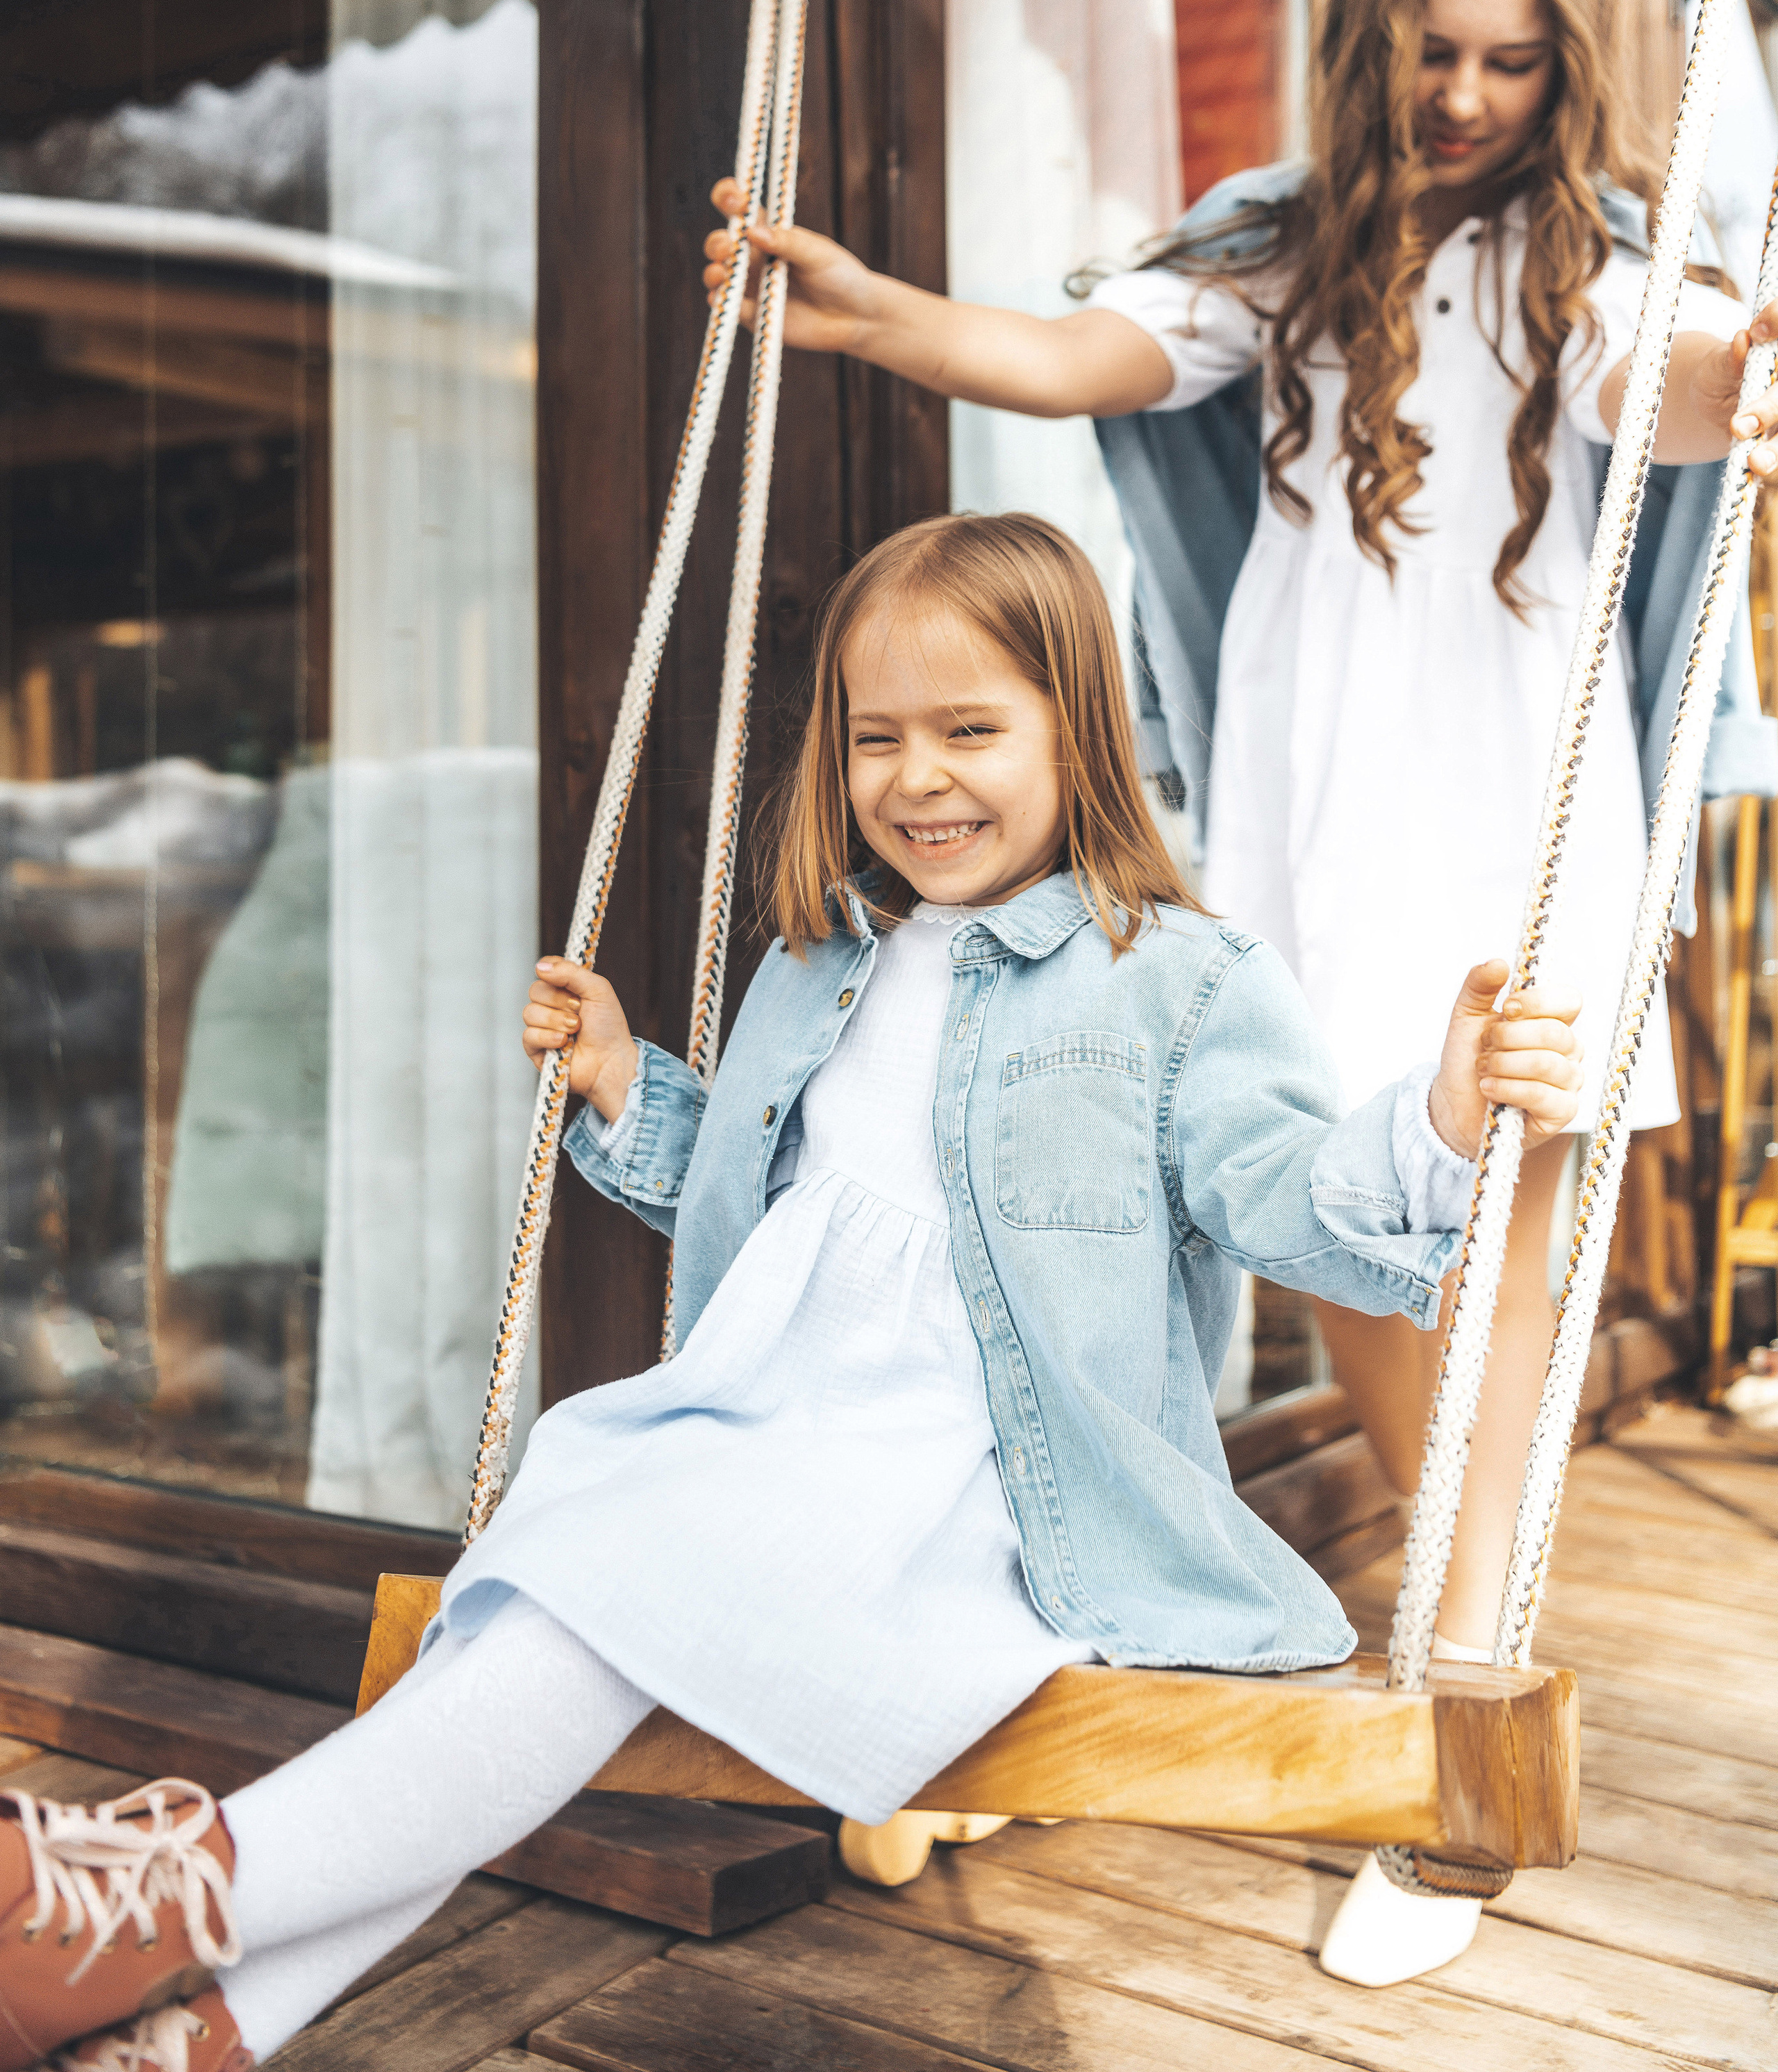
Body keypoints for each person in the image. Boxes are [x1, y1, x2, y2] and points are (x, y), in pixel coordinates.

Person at [0, 512, 1582, 2069]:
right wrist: (628, 1082)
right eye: (873, 737)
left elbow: (1291, 1204)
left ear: (1074, 732)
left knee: (567, 1617)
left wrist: (1440, 1124)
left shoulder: (1172, 980)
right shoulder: (819, 960)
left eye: (970, 728)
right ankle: (201, 2028)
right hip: (756, 1418)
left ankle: (153, 1891)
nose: (917, 778)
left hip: (963, 1489)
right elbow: (764, 1202)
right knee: (522, 1642)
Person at [696, 0, 1778, 1979]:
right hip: (1300, 823)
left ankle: (1454, 1746)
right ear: (1378, 34)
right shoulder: (1290, 261)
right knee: (1352, 1251)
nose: (1468, 99)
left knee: (1505, 1278)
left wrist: (1746, 375)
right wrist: (884, 316)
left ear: (1571, 71)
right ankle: (1443, 1644)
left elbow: (1681, 390)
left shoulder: (1603, 273)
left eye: (1514, 63)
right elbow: (1084, 363)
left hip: (1510, 829)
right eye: (1436, 53)